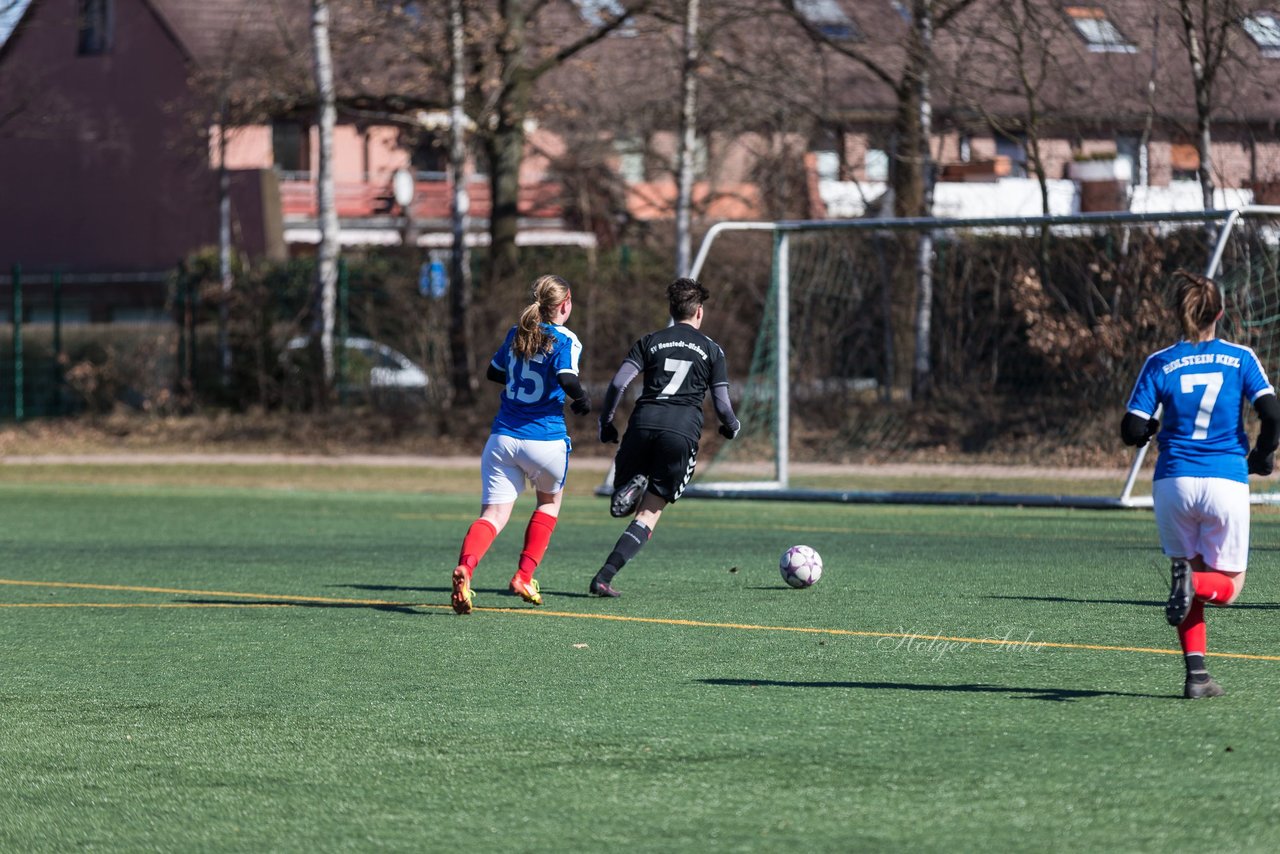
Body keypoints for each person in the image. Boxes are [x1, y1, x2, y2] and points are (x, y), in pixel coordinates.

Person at [1122, 270, 1279, 698]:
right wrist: (1264, 454)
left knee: (1185, 570)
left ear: (1178, 313)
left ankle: (1197, 677)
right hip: (1225, 479)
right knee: (1226, 588)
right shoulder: (1240, 357)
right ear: (1221, 312)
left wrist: (1150, 429)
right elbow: (1272, 412)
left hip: (1173, 481)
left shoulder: (1160, 361)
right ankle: (1194, 590)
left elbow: (1131, 428)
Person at [589, 277, 741, 597]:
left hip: (642, 424)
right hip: (681, 433)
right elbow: (723, 405)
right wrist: (731, 426)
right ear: (698, 312)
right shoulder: (713, 350)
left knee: (622, 503)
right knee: (648, 514)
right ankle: (604, 577)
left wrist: (606, 421)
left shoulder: (649, 341)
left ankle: (635, 480)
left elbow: (618, 384)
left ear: (671, 310)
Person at [450, 275, 592, 615]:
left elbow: (493, 373)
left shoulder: (517, 333)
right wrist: (582, 399)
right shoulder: (565, 338)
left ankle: (466, 569)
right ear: (565, 304)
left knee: (494, 515)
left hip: (502, 439)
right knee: (548, 504)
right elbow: (566, 377)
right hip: (544, 440)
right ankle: (524, 576)